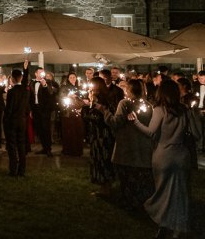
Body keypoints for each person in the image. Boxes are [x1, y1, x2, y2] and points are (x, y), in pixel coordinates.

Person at [129, 79, 201, 239]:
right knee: (180, 192)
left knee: (162, 192)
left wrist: (135, 122)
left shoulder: (160, 110)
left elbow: (150, 132)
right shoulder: (185, 110)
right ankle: (178, 226)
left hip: (163, 155)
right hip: (181, 155)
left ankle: (164, 223)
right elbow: (197, 135)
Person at [98, 79, 154, 210]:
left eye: (126, 88)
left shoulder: (125, 104)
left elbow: (115, 122)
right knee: (140, 178)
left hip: (127, 146)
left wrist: (104, 111)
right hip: (143, 147)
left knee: (127, 177)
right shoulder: (148, 105)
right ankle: (141, 201)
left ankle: (128, 201)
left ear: (129, 89)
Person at [83, 76, 116, 197]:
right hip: (99, 134)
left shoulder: (101, 100)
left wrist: (86, 107)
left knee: (102, 159)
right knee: (102, 159)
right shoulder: (101, 98)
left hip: (102, 135)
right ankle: (106, 186)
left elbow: (97, 118)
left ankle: (105, 188)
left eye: (91, 86)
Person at [4, 60, 30, 177]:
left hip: (12, 121)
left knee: (12, 146)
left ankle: (13, 170)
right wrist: (26, 68)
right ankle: (22, 170)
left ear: (12, 79)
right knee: (21, 145)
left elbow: (9, 108)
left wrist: (6, 120)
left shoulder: (11, 92)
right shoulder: (25, 90)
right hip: (22, 120)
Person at [29, 66, 57, 157]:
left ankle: (48, 149)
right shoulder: (32, 83)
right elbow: (30, 97)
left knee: (46, 129)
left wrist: (44, 85)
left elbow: (51, 93)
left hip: (45, 110)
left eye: (42, 73)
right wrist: (30, 110)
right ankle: (44, 147)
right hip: (35, 109)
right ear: (36, 74)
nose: (41, 74)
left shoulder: (48, 82)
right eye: (39, 72)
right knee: (39, 129)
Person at [59, 72, 85, 157]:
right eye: (71, 77)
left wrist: (83, 101)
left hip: (78, 112)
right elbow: (61, 97)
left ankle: (78, 150)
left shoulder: (79, 87)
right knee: (69, 131)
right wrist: (68, 96)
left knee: (78, 131)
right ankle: (69, 150)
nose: (73, 79)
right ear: (68, 79)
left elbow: (84, 98)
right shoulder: (64, 87)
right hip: (68, 112)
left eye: (74, 77)